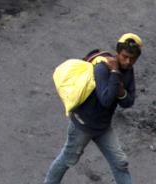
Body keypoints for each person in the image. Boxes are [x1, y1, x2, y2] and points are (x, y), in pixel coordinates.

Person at [44, 34, 142, 184]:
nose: (128, 62)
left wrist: (122, 92)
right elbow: (106, 100)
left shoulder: (128, 70)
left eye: (132, 59)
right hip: (83, 126)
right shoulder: (102, 68)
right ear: (118, 53)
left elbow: (128, 102)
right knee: (67, 159)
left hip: (103, 127)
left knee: (120, 163)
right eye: (125, 57)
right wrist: (115, 74)